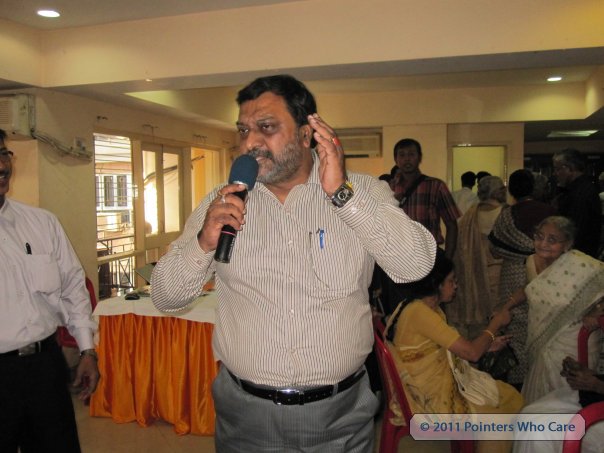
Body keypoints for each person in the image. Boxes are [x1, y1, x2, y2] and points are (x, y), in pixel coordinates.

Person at [151, 75, 437, 452]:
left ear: (306, 134)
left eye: (266, 127)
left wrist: (343, 195)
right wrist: (203, 243)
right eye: (244, 130)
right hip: (246, 416)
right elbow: (166, 297)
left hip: (339, 415)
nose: (250, 143)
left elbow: (417, 265)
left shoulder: (362, 191)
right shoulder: (220, 203)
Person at [0, 129, 99, 452]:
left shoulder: (41, 223)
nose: (2, 166)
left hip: (45, 367)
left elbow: (73, 286)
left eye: (3, 154)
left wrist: (86, 350)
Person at [386, 251, 523, 453]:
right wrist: (495, 325)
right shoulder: (420, 313)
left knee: (510, 396)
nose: (456, 286)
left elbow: (450, 349)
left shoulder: (421, 307)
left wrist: (487, 345)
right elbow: (471, 354)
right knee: (498, 421)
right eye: (451, 281)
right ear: (436, 285)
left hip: (431, 385)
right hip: (428, 397)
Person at [502, 216, 604, 404]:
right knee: (539, 397)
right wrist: (506, 306)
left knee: (568, 399)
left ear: (567, 244)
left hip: (573, 341)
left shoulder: (581, 265)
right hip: (541, 343)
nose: (543, 244)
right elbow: (530, 288)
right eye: (539, 237)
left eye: (552, 240)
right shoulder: (531, 261)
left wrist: (597, 313)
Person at [488, 169, 557, 387]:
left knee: (515, 325)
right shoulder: (550, 212)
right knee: (542, 323)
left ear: (511, 190)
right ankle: (541, 378)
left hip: (513, 273)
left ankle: (518, 380)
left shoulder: (507, 215)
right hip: (546, 272)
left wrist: (515, 251)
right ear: (534, 188)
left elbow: (494, 250)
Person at [447, 176, 506, 338]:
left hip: (472, 271)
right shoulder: (504, 213)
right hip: (498, 273)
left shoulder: (469, 214)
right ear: (498, 192)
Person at [513, 356, 604, 453]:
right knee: (527, 414)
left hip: (597, 409)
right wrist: (586, 373)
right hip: (591, 398)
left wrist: (597, 385)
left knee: (539, 433)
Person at [389, 138, 460, 259]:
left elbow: (452, 225)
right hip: (397, 255)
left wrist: (447, 260)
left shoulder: (436, 186)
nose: (407, 159)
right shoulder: (388, 188)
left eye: (411, 154)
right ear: (396, 159)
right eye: (402, 155)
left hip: (429, 255)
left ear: (420, 158)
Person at [551, 148, 602, 257]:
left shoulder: (582, 192)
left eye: (557, 169)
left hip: (577, 255)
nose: (555, 173)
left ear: (569, 168)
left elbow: (575, 230)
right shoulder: (577, 189)